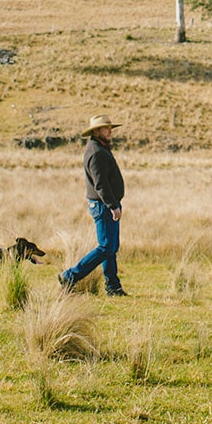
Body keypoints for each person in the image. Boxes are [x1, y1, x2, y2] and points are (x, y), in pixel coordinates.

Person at [59, 114, 127, 296]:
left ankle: (113, 286)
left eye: (110, 127)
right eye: (106, 128)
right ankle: (70, 276)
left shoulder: (99, 148)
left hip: (106, 204)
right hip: (103, 205)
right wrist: (112, 206)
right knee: (106, 247)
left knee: (111, 248)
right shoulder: (96, 152)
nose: (110, 131)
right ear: (96, 131)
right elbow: (100, 184)